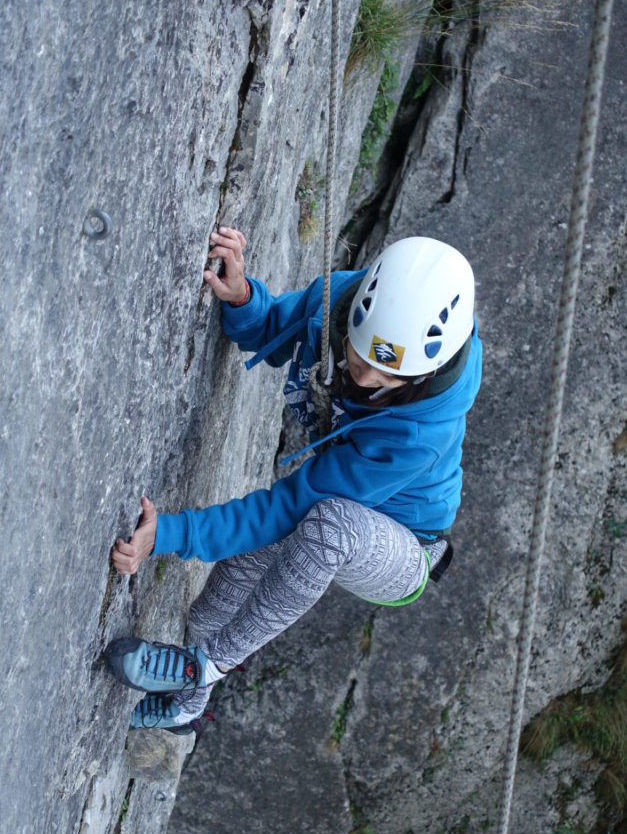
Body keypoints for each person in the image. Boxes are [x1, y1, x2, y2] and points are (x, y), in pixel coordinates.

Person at [105, 226, 482, 734]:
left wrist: (170, 534)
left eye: (383, 378)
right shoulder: (340, 303)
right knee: (210, 613)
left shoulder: (419, 433)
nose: (360, 378)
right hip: (331, 501)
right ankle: (188, 707)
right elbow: (273, 329)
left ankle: (203, 667)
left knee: (328, 525)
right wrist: (241, 295)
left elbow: (295, 507)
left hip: (406, 547)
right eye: (355, 355)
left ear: (419, 377)